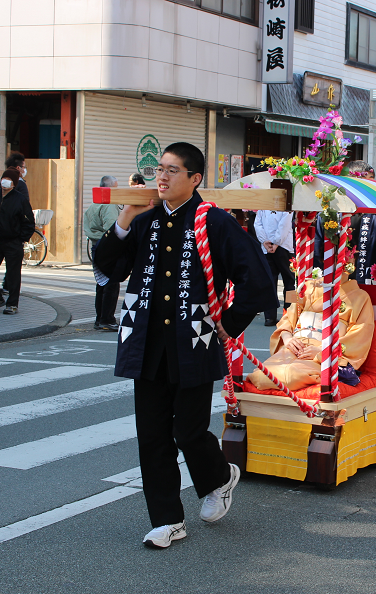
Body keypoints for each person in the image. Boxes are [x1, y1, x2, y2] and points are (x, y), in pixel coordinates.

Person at [93, 142, 278, 549]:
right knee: (152, 434)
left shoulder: (212, 221)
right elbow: (108, 265)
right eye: (159, 169)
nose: (162, 177)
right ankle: (167, 520)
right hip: (146, 344)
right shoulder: (145, 221)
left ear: (195, 179)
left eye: (173, 171)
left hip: (193, 342)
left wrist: (228, 324)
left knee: (188, 431)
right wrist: (124, 219)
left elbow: (258, 279)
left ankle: (217, 476)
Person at [248, 264, 374, 391]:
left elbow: (359, 338)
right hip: (294, 347)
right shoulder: (308, 286)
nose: (338, 260)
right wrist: (287, 338)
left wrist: (323, 352)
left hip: (324, 355)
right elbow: (288, 317)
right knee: (260, 375)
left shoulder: (361, 297)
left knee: (292, 375)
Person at [0, 170, 35, 314]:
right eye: (4, 178)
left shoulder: (20, 199)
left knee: (13, 274)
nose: (5, 181)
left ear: (14, 183)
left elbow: (29, 222)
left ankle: (12, 304)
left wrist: (21, 238)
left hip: (13, 242)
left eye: (9, 179)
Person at [83, 176, 122, 331]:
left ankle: (100, 319)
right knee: (111, 284)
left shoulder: (94, 204)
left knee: (101, 283)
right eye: (116, 187)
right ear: (109, 188)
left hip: (96, 245)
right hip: (108, 247)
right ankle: (107, 319)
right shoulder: (109, 205)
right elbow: (112, 229)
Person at [254, 209, 296, 326]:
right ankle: (289, 314)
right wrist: (276, 242)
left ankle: (269, 317)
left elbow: (258, 224)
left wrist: (265, 241)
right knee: (290, 281)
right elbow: (285, 225)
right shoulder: (286, 203)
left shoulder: (264, 205)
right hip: (284, 246)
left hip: (268, 247)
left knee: (270, 281)